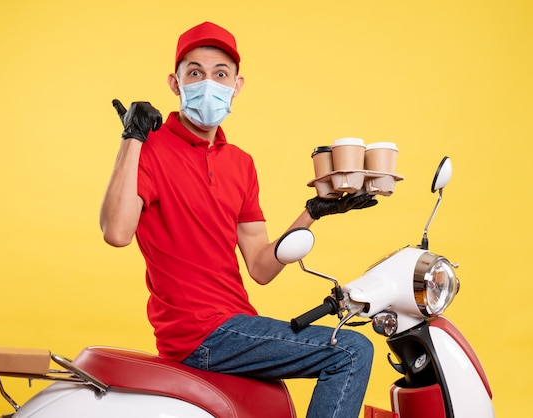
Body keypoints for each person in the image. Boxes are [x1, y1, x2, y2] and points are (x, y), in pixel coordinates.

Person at [100, 21, 378, 418]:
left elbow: (262, 267)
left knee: (345, 349)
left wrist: (313, 212)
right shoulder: (150, 148)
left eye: (220, 74)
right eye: (195, 73)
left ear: (237, 85)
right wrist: (132, 137)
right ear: (175, 84)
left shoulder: (241, 163)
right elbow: (116, 232)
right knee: (350, 351)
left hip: (235, 324)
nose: (208, 83)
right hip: (197, 333)